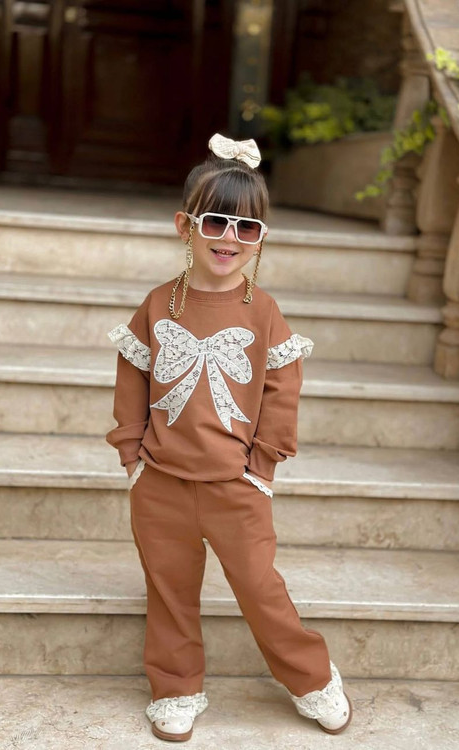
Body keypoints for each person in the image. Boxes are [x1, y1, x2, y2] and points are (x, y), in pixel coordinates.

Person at [106, 133, 352, 742]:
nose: (230, 238)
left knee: (260, 588)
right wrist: (133, 455)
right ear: (185, 226)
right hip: (160, 482)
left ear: (260, 239)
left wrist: (262, 467)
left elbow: (282, 390)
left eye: (248, 228)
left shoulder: (262, 312)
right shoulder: (158, 304)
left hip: (235, 487)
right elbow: (133, 377)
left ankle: (312, 677)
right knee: (169, 590)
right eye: (216, 222)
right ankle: (175, 687)